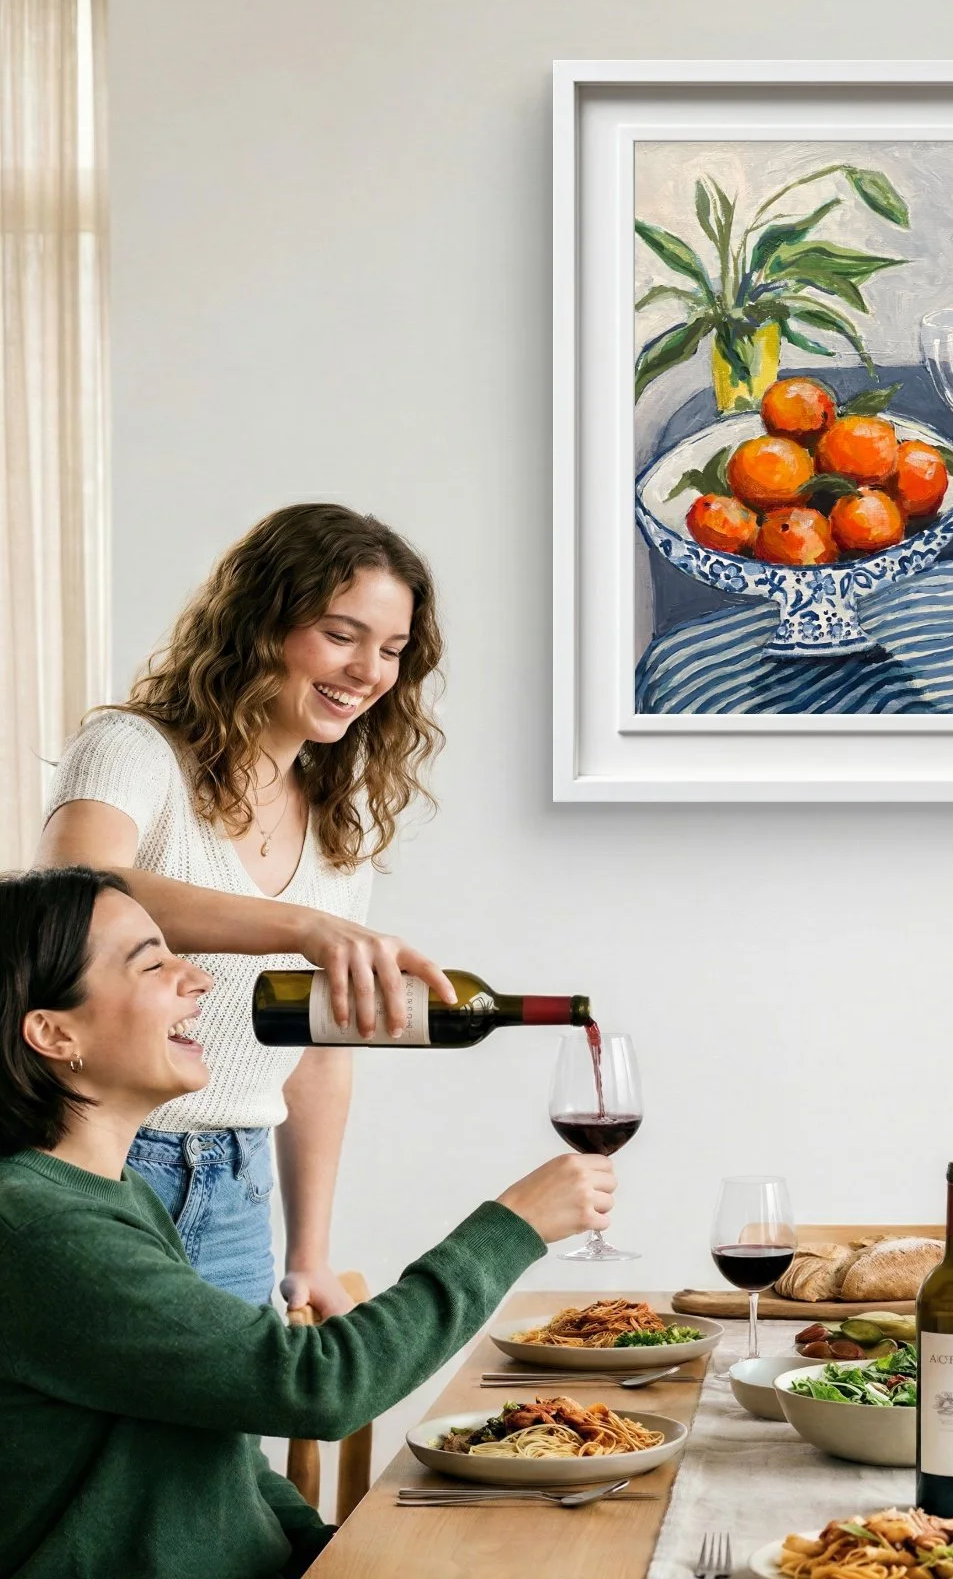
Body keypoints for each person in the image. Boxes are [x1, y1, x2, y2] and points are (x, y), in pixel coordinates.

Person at [0, 866, 614, 1579]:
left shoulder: (118, 1192)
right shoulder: (36, 1226)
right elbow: (318, 1385)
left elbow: (217, 1441)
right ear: (52, 1032)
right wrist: (513, 1227)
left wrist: (318, 1548)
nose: (196, 978)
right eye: (153, 962)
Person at [36, 503, 456, 1316]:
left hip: (237, 1187)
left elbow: (322, 1048)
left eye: (394, 650)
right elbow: (76, 886)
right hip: (96, 1166)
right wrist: (301, 926)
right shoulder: (135, 750)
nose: (369, 671)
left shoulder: (344, 820)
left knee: (228, 1448)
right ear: (259, 625)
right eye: (341, 635)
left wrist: (310, 1252)